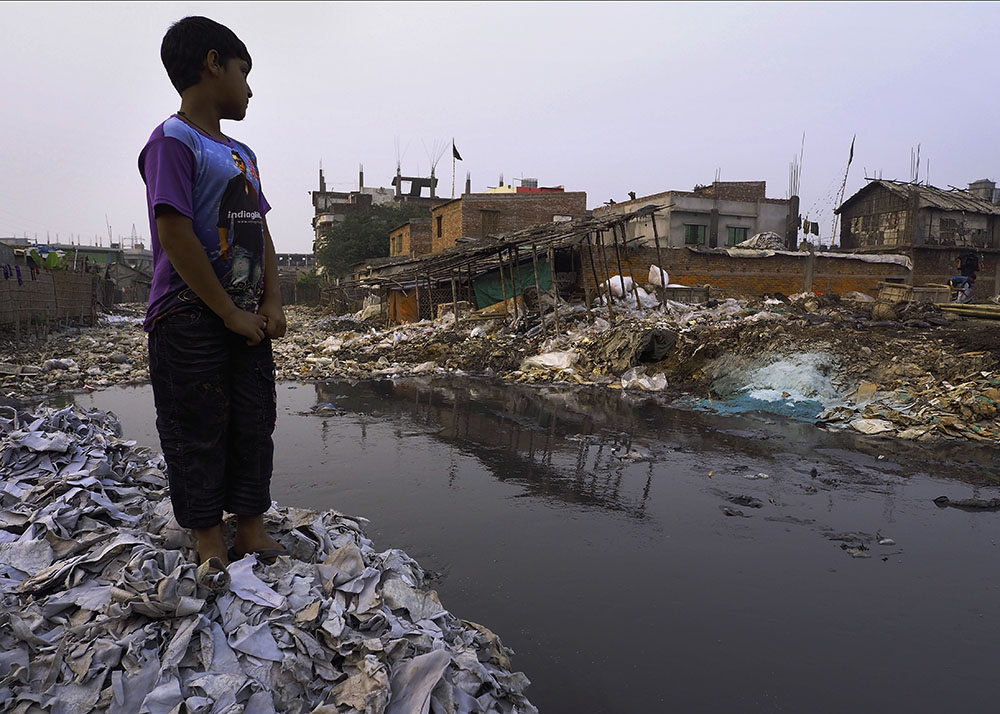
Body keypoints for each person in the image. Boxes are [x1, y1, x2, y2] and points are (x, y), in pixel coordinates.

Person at [138, 16, 287, 580]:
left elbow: (260, 231)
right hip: (188, 315)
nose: (250, 88)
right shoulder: (171, 142)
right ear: (212, 62)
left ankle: (250, 526)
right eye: (244, 73)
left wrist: (270, 303)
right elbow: (174, 232)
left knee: (254, 420)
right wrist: (226, 310)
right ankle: (208, 537)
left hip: (246, 319)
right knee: (195, 425)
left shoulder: (243, 154)